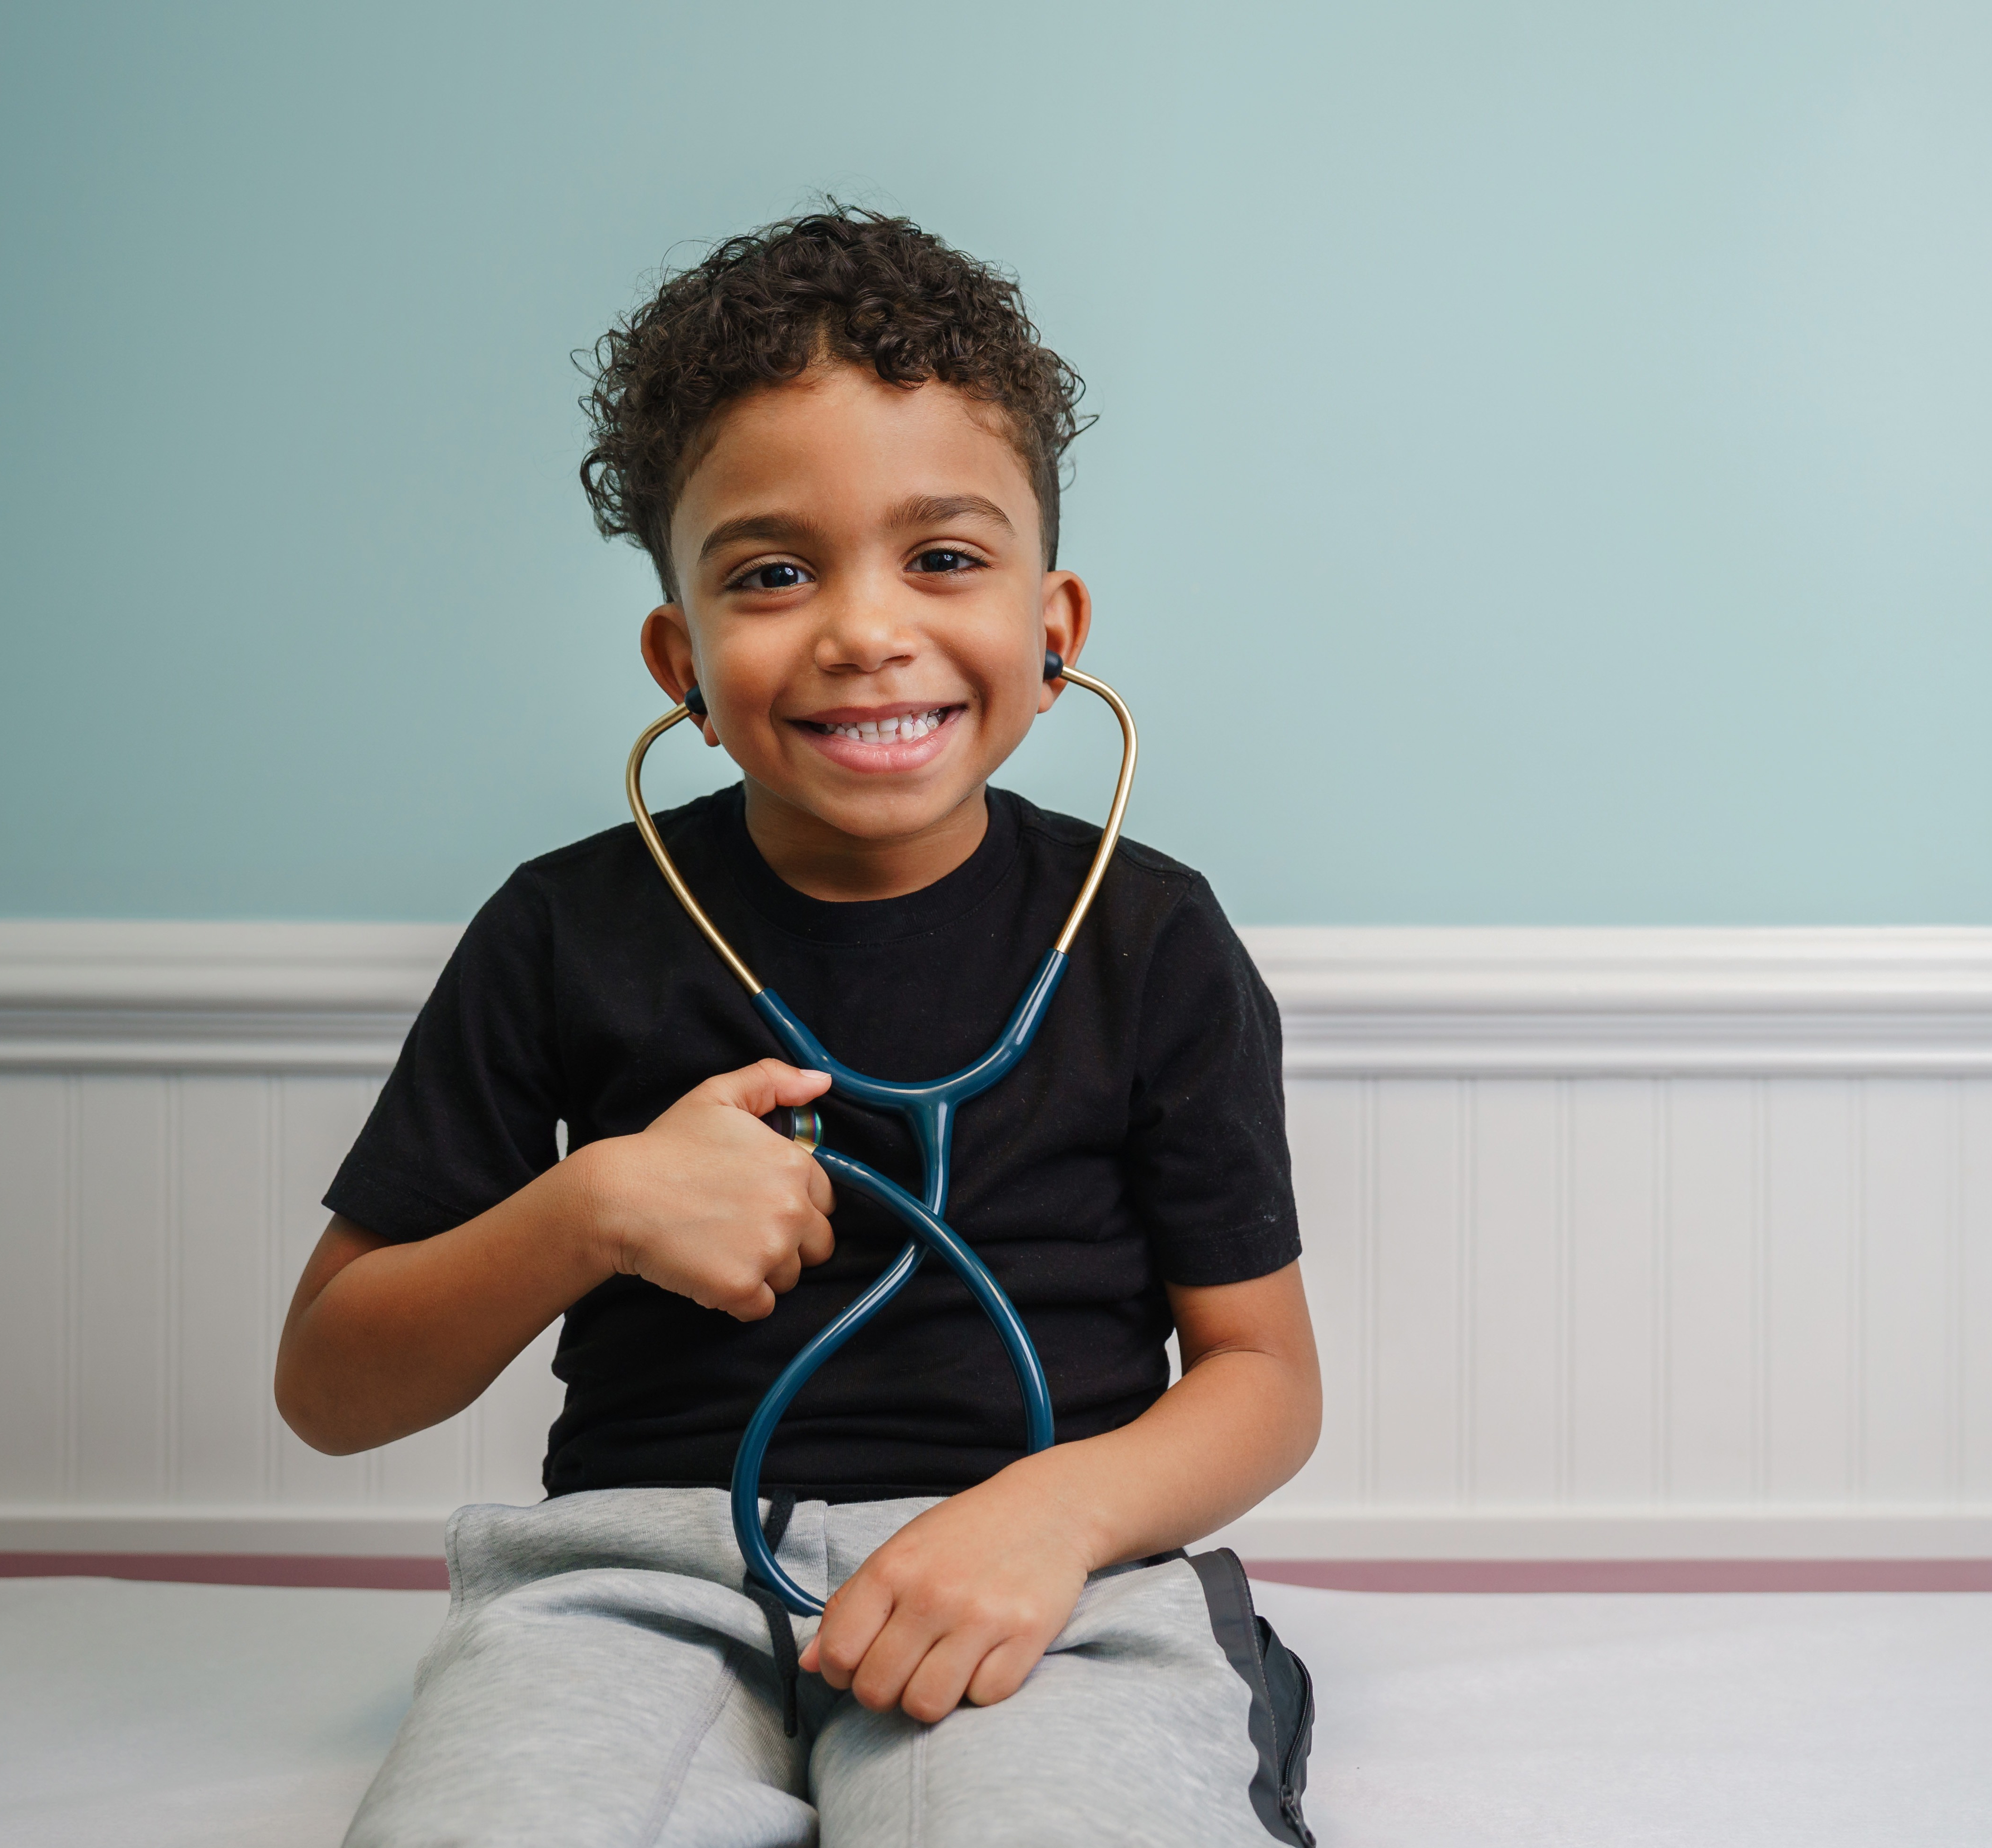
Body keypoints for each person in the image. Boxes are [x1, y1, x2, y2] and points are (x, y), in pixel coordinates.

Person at [276, 206, 1321, 1847]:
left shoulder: (1147, 935)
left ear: (1055, 633)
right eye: (773, 571)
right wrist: (589, 1209)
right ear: (679, 660)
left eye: (945, 556)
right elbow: (331, 1384)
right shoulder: (564, 929)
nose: (861, 627)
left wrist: (1053, 1519)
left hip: (1031, 1572)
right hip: (636, 1581)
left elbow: (1261, 1375)